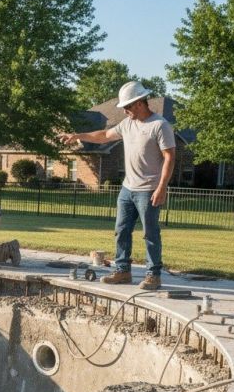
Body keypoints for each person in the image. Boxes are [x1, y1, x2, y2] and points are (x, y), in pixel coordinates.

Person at [59, 81, 175, 290]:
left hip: (148, 190)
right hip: (127, 189)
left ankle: (153, 275)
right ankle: (123, 271)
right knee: (121, 230)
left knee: (150, 232)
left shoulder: (160, 125)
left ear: (140, 102)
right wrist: (78, 136)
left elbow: (170, 157)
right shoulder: (127, 124)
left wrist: (162, 187)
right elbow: (104, 136)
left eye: (128, 106)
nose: (124, 110)